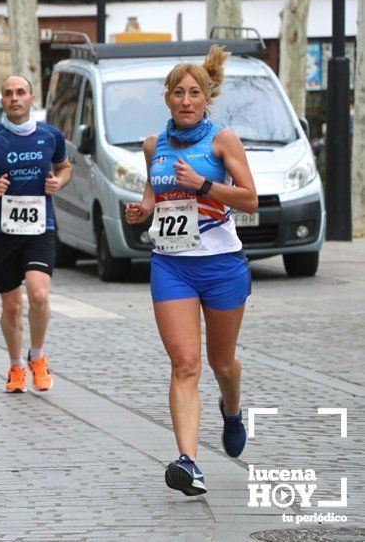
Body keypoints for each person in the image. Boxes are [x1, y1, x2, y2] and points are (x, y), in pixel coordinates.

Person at [124, 45, 257, 496]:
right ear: (167, 98)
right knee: (185, 365)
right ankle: (188, 461)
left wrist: (203, 184)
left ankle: (232, 409)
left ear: (206, 98)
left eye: (194, 93)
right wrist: (141, 210)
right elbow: (154, 193)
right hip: (171, 264)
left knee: (222, 363)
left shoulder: (223, 140)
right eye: (178, 92)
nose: (185, 100)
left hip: (221, 264)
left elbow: (250, 199)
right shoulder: (152, 146)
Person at [0, 75, 72, 393]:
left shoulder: (50, 136)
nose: (14, 98)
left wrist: (58, 183)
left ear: (32, 98)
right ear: (2, 101)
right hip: (2, 230)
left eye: (20, 92)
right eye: (8, 93)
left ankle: (37, 355)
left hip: (40, 228)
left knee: (38, 294)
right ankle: (15, 366)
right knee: (11, 305)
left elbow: (65, 168)